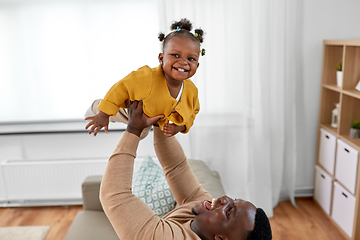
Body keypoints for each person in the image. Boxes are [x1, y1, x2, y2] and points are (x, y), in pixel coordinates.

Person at [100, 99, 272, 240]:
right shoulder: (204, 207)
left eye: (229, 211)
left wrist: (134, 129)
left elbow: (114, 195)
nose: (224, 198)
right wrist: (161, 119)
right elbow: (176, 167)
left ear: (220, 239)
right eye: (233, 200)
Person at [85, 18, 205, 138]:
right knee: (129, 124)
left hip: (154, 117)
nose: (183, 62)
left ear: (197, 65)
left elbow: (193, 111)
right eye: (175, 55)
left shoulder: (192, 91)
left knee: (145, 133)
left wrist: (181, 127)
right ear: (161, 58)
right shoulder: (147, 77)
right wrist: (103, 114)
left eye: (191, 59)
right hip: (130, 109)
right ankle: (96, 107)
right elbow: (121, 88)